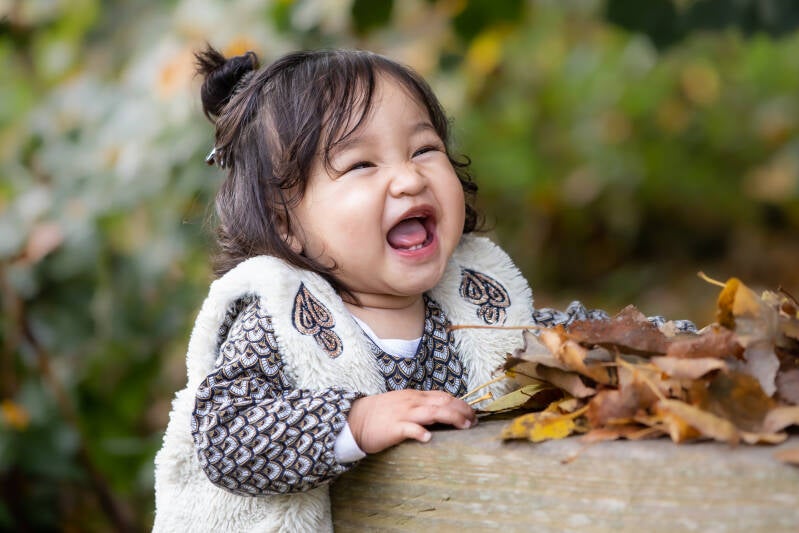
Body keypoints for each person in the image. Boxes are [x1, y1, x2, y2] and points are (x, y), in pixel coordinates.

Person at [153, 47, 693, 532]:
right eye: (362, 164)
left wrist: (668, 345)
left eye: (423, 149)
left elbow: (554, 341)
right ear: (285, 222)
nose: (410, 179)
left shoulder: (471, 299)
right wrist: (357, 420)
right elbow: (225, 434)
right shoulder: (285, 320)